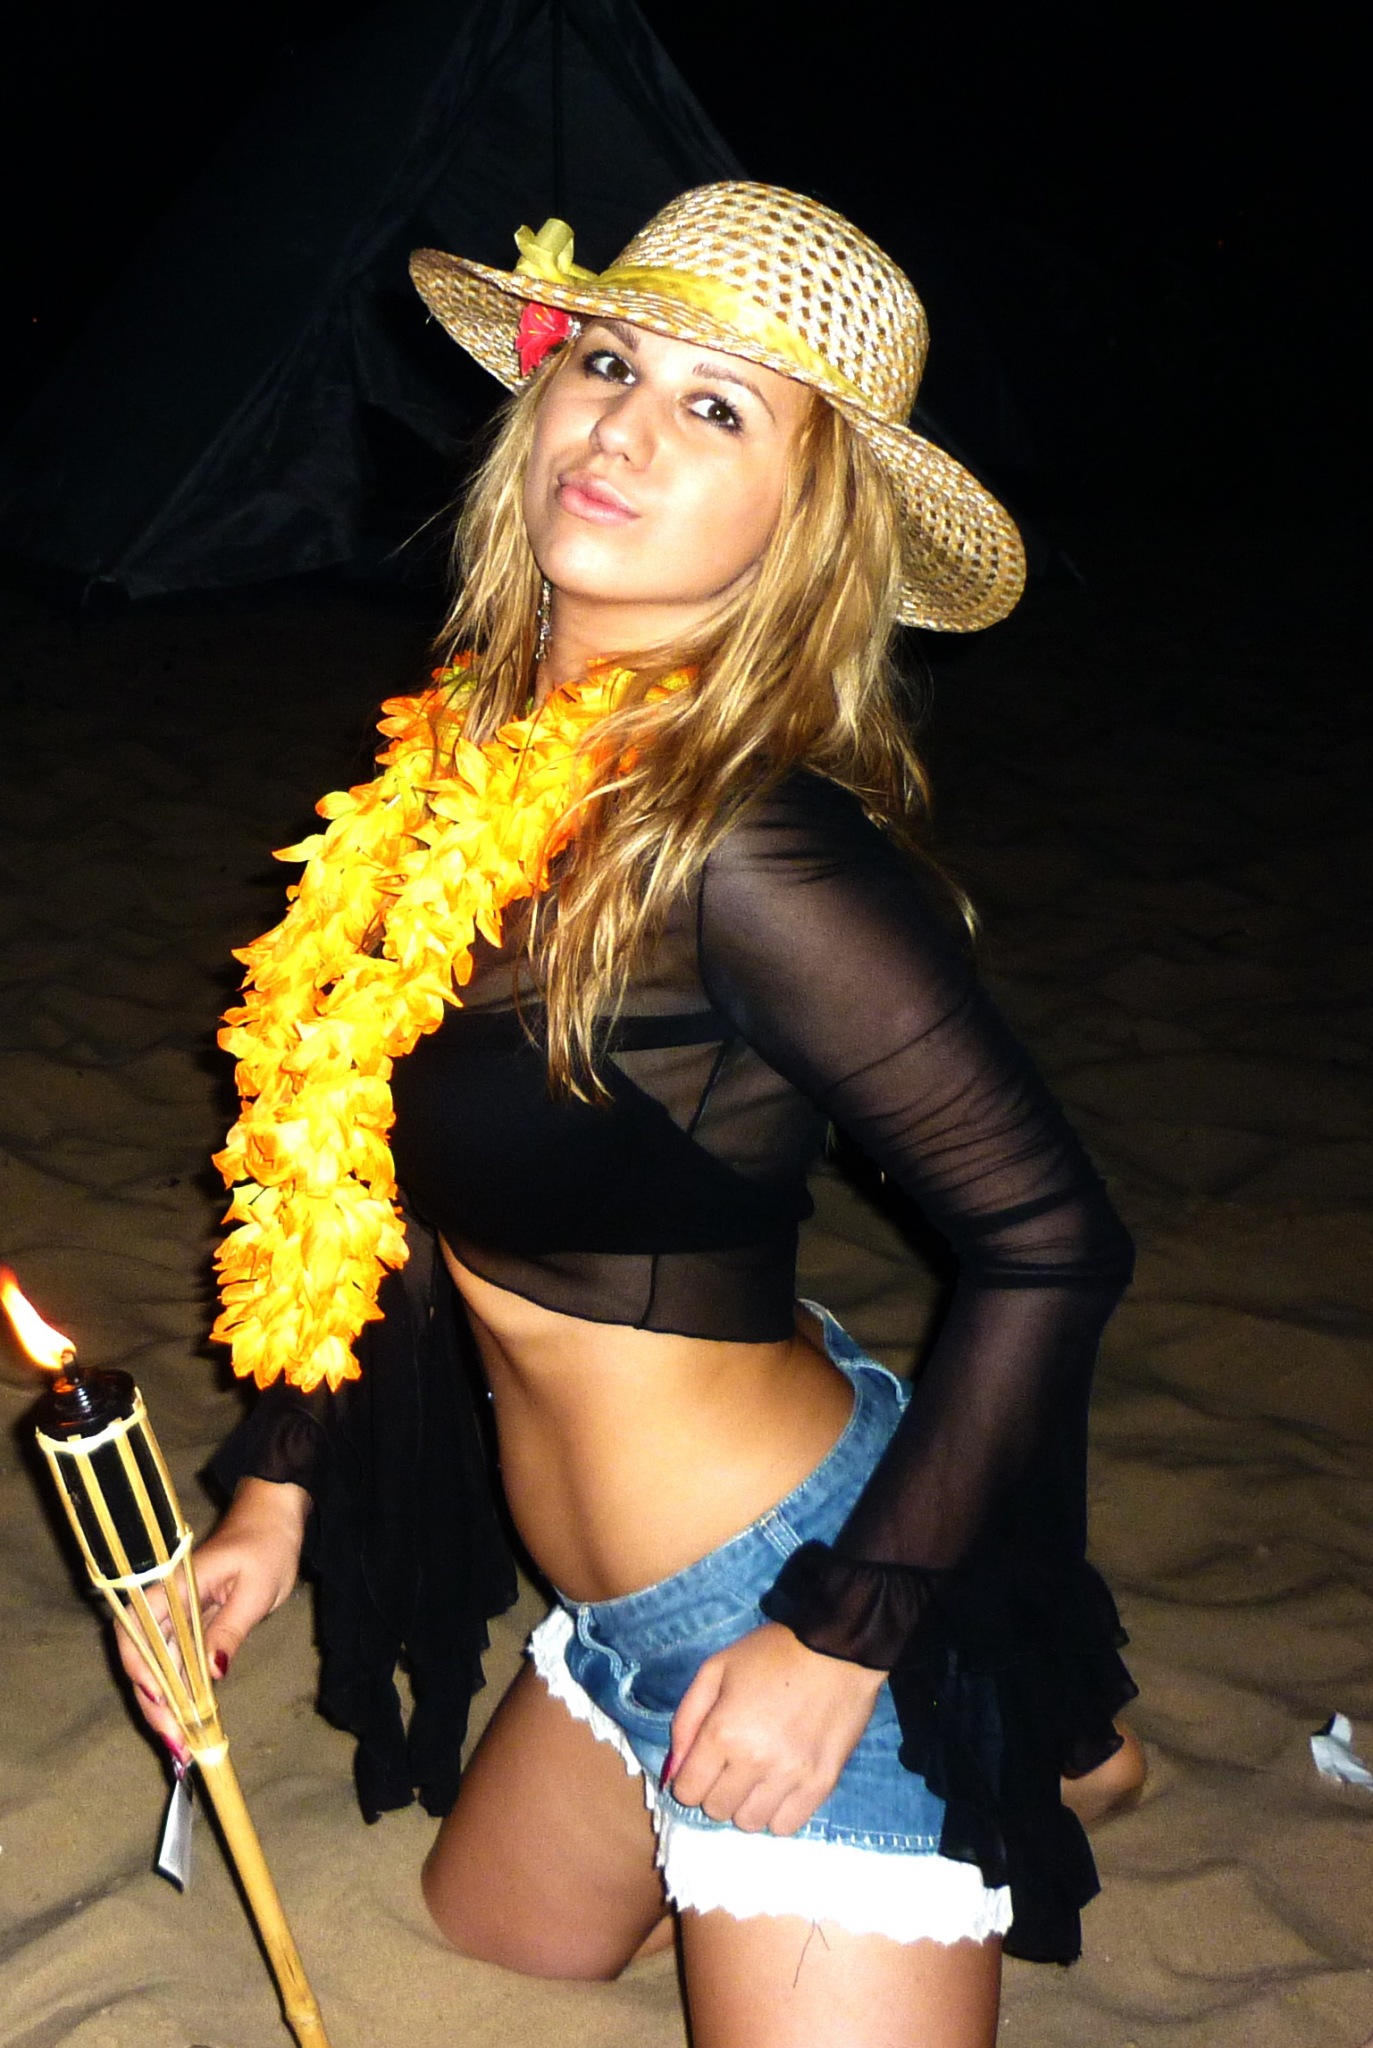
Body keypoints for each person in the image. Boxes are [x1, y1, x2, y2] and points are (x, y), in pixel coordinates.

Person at [124, 183, 1143, 2047]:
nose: (620, 427)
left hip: (797, 1590)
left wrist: (839, 1640)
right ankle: (1030, 1724)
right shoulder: (462, 765)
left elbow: (1051, 1244)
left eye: (715, 408)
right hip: (611, 1623)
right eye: (605, 362)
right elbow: (358, 1177)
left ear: (802, 522)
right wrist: (272, 1497)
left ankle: (981, 1694)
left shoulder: (747, 848)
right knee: (495, 1942)